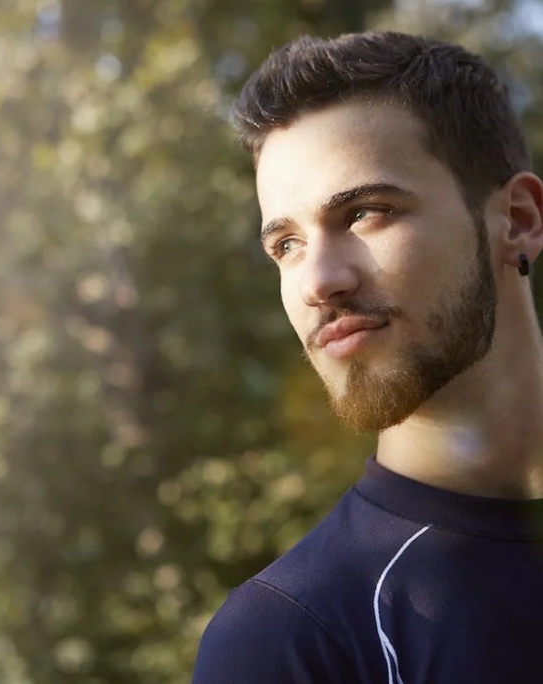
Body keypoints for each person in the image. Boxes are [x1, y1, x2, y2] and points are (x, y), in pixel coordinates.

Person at [191, 31, 543, 683]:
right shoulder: (289, 640)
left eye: (364, 212)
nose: (316, 281)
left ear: (517, 220)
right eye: (286, 246)